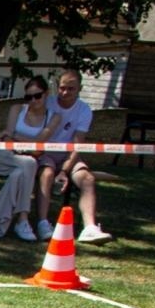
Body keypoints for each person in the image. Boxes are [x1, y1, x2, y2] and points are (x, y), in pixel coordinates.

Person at [33, 69, 112, 244]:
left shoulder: (84, 110)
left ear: (79, 89)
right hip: (45, 152)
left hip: (70, 154)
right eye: (62, 88)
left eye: (71, 88)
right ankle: (42, 223)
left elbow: (78, 143)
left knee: (87, 178)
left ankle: (90, 227)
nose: (65, 92)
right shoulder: (48, 103)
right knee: (46, 175)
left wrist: (64, 171)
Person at [0, 76, 57, 241]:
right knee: (29, 163)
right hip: (4, 156)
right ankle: (22, 219)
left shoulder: (54, 117)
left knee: (20, 173)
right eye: (29, 97)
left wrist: (15, 136)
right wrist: (20, 141)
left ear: (46, 94)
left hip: (23, 162)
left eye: (37, 96)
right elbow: (7, 141)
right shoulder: (17, 109)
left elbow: (38, 143)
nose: (33, 101)